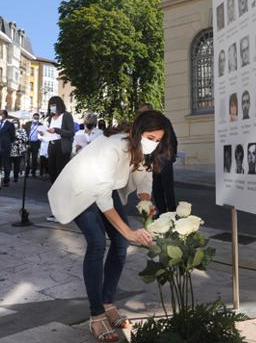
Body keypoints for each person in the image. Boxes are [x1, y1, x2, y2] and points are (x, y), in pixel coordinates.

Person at [47, 110, 170, 342]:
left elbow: (145, 177)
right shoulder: (114, 146)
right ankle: (96, 315)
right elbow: (101, 196)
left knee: (120, 243)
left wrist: (145, 201)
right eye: (150, 138)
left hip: (104, 188)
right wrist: (128, 230)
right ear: (138, 132)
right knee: (96, 242)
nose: (152, 144)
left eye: (157, 140)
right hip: (82, 188)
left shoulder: (141, 149)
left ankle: (107, 302)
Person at [140, 103, 177, 214]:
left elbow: (173, 139)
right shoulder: (145, 125)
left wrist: (171, 156)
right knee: (156, 188)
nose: (141, 116)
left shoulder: (163, 121)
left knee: (167, 187)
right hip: (152, 159)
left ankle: (171, 212)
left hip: (164, 157)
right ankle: (161, 212)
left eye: (143, 113)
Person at [0, 110, 16, 187]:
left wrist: (7, 142)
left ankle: (6, 180)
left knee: (6, 164)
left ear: (4, 115)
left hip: (5, 147)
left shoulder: (10, 125)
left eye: (0, 114)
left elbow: (12, 137)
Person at [26, 112, 42, 177]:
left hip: (36, 143)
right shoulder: (28, 124)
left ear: (39, 119)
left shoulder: (41, 125)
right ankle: (27, 172)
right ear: (33, 118)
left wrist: (41, 133)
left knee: (34, 159)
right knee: (27, 158)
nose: (36, 119)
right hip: (28, 142)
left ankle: (33, 172)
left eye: (37, 118)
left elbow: (43, 134)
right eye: (35, 118)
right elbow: (25, 132)